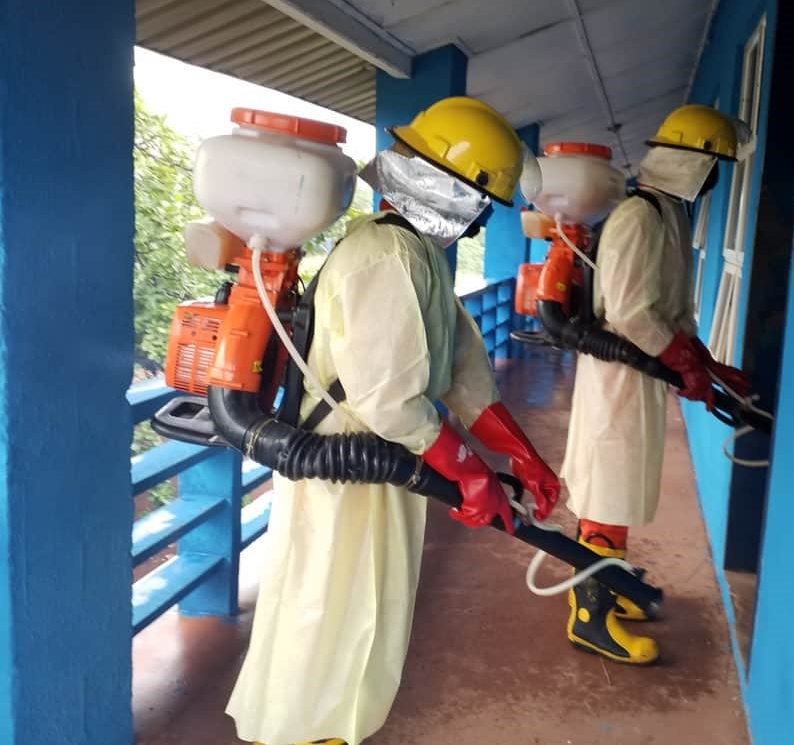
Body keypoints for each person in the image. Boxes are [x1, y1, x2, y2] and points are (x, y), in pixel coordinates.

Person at [226, 96, 561, 745]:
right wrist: (473, 476)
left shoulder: (418, 259)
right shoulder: (389, 256)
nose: (482, 224)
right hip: (345, 474)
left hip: (383, 472)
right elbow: (390, 403)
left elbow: (463, 373)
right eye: (482, 206)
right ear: (455, 192)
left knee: (363, 624)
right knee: (328, 623)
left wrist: (521, 457)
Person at [560, 104, 750, 665]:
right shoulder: (639, 217)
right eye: (713, 163)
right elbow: (632, 314)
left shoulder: (669, 214)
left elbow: (672, 308)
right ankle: (588, 617)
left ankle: (611, 586)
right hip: (619, 376)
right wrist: (684, 363)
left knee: (621, 485)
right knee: (607, 485)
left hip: (641, 376)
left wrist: (702, 359)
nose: (717, 177)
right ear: (690, 161)